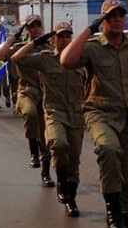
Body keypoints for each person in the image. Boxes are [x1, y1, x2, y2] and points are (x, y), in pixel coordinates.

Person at [60, 0, 128, 228]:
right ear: (102, 20)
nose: (117, 19)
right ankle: (111, 209)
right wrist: (88, 30)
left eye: (120, 15)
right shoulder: (92, 48)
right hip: (100, 113)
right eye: (111, 15)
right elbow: (66, 60)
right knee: (107, 148)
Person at [11, 22, 86, 216]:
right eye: (60, 36)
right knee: (59, 144)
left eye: (68, 35)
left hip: (77, 115)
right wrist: (36, 42)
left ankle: (71, 199)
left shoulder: (81, 58)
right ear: (53, 39)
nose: (65, 39)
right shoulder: (45, 59)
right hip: (54, 112)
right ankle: (61, 183)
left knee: (74, 160)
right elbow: (16, 58)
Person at [0, 15, 55, 188]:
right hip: (26, 92)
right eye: (31, 26)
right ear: (27, 30)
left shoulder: (51, 48)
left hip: (46, 94)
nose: (36, 28)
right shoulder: (20, 47)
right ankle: (33, 150)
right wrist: (14, 37)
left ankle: (45, 172)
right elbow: (1, 56)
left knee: (46, 136)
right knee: (29, 113)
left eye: (38, 25)